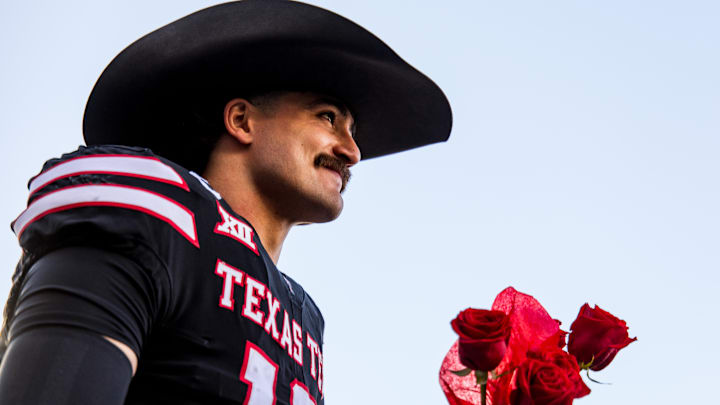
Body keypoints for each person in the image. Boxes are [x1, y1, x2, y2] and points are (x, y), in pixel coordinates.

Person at [0, 1, 452, 404]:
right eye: (328, 118)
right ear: (241, 120)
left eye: (352, 133)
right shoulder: (159, 217)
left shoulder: (306, 317)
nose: (351, 151)